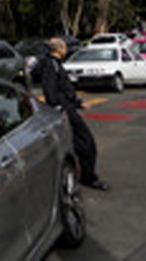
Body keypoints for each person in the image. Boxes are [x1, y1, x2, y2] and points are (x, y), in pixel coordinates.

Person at [40, 37, 108, 191]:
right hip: (64, 111)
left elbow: (64, 89)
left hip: (69, 107)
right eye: (64, 46)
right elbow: (51, 94)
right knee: (87, 143)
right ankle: (88, 178)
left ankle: (82, 174)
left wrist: (78, 103)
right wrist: (65, 108)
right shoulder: (50, 66)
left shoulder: (55, 64)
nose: (66, 49)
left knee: (79, 144)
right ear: (59, 49)